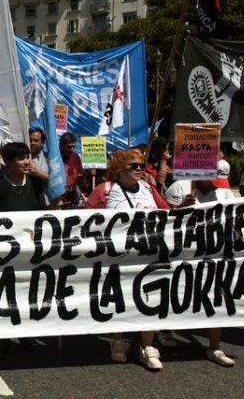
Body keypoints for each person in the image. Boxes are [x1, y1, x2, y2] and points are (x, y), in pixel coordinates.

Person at [85, 148, 169, 370]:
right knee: (119, 298)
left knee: (150, 298)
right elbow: (86, 219)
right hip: (117, 258)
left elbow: (167, 213)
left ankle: (147, 346)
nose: (140, 170)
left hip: (148, 255)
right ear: (120, 169)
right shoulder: (104, 190)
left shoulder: (149, 189)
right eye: (134, 166)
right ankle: (117, 340)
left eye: (142, 166)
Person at [164, 159, 236, 367]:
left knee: (215, 295)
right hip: (182, 251)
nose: (216, 187)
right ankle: (166, 329)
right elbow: (163, 218)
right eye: (212, 181)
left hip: (213, 250)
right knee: (174, 290)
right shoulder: (180, 186)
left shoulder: (222, 191)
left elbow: (234, 213)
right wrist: (182, 208)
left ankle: (214, 346)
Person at [0, 142, 46, 213]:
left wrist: (55, 203)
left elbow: (43, 212)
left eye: (27, 157)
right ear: (8, 162)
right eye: (21, 158)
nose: (27, 162)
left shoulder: (35, 182)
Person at [59, 132, 86, 208]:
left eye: (73, 147)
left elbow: (80, 176)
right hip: (56, 203)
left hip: (72, 202)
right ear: (61, 145)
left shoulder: (75, 157)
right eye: (69, 147)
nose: (72, 149)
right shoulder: (54, 157)